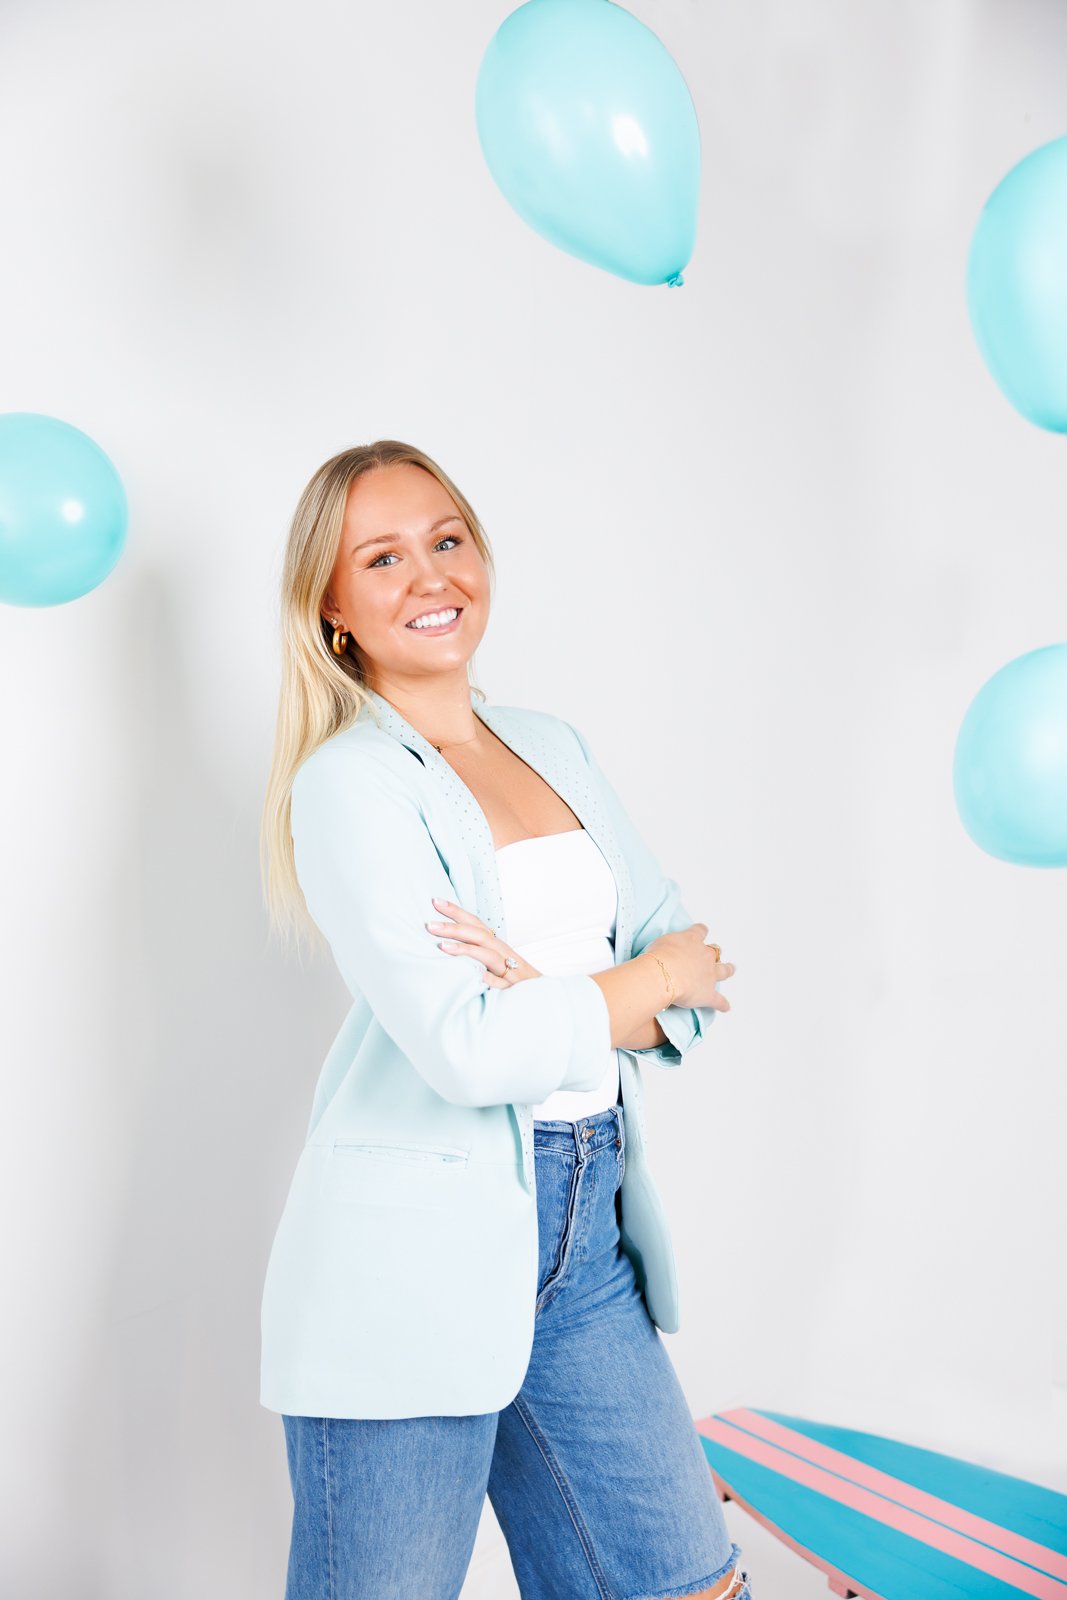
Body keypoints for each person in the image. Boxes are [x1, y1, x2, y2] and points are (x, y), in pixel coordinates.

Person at [259, 439, 748, 1600]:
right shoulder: (350, 784)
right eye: (380, 558)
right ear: (330, 607)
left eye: (446, 539)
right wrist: (624, 990)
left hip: (584, 1230)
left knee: (683, 1583)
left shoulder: (554, 743)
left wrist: (547, 992)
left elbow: (699, 963)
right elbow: (469, 1049)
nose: (429, 577)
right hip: (411, 1253)